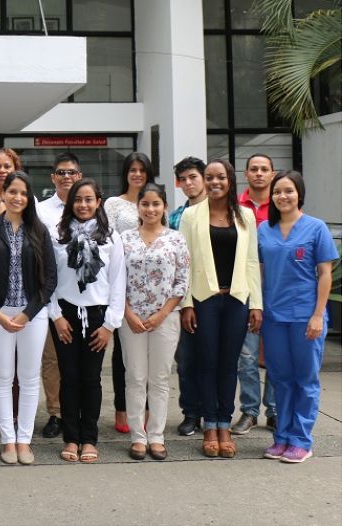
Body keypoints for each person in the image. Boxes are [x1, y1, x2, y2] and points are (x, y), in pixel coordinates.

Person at [180, 159, 261, 459]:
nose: (215, 182)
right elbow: (185, 262)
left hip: (237, 299)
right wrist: (186, 303)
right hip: (205, 299)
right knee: (207, 363)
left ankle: (224, 425)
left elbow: (251, 261)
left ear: (230, 181)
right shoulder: (191, 215)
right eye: (210, 177)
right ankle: (209, 426)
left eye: (221, 177)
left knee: (229, 365)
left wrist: (256, 304)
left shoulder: (246, 215)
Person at [0, 171, 56, 465]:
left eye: (23, 193)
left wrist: (27, 314)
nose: (17, 198)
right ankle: (7, 441)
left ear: (29, 197)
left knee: (29, 377)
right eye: (12, 191)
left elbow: (50, 279)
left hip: (32, 315)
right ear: (3, 193)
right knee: (1, 377)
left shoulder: (39, 230)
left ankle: (24, 440)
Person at [259, 171, 337, 463]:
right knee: (280, 378)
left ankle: (301, 440)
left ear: (299, 194)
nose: (283, 196)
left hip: (306, 315)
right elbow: (261, 273)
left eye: (288, 191)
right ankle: (282, 437)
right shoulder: (264, 230)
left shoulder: (316, 228)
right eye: (277, 192)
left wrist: (318, 315)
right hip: (274, 316)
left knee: (305, 379)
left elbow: (325, 274)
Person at [50, 178, 126, 464]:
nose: (83, 205)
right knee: (69, 377)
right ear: (71, 203)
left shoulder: (111, 237)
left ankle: (89, 439)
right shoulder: (58, 234)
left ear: (98, 202)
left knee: (91, 379)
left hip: (97, 316)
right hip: (65, 315)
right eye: (78, 200)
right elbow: (49, 277)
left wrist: (109, 325)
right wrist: (56, 316)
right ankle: (71, 437)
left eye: (88, 199)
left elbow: (118, 282)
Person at [120, 183, 189, 460]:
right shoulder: (124, 239)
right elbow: (115, 281)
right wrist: (128, 314)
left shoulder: (176, 239)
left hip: (166, 318)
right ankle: (138, 436)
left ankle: (157, 436)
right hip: (131, 319)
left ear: (164, 207)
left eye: (155, 204)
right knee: (135, 377)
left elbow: (182, 281)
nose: (150, 209)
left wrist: (162, 314)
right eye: (145, 204)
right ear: (138, 207)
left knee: (159, 378)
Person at [104, 152, 156, 434]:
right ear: (125, 173)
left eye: (142, 170)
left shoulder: (154, 201)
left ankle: (146, 409)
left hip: (152, 286)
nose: (137, 174)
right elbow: (108, 241)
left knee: (148, 354)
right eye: (132, 169)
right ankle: (122, 408)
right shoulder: (114, 203)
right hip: (122, 281)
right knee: (122, 351)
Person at [35, 152, 84, 439]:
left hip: (85, 296)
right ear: (53, 177)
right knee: (52, 359)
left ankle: (77, 411)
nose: (67, 177)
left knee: (79, 359)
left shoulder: (88, 207)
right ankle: (56, 413)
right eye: (61, 173)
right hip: (51, 295)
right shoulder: (41, 211)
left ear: (79, 176)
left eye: (72, 172)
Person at [233, 153, 278, 435]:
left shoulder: (282, 204)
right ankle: (249, 411)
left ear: (272, 174)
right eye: (254, 169)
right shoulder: (236, 208)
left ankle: (274, 410)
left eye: (264, 169)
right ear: (246, 174)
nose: (259, 173)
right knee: (247, 356)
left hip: (277, 292)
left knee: (275, 354)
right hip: (247, 291)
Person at [169, 156, 207, 436]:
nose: (188, 183)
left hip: (215, 295)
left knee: (214, 359)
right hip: (183, 298)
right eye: (183, 179)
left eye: (193, 177)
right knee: (186, 359)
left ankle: (214, 413)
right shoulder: (174, 218)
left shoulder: (219, 213)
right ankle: (191, 412)